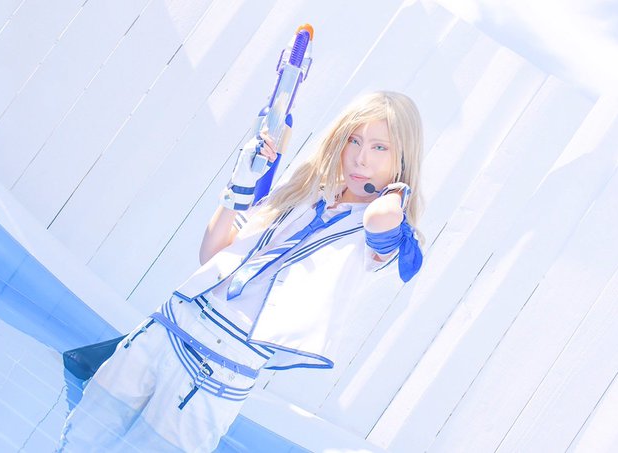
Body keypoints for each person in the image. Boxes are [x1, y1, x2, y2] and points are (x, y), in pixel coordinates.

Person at [57, 90, 424, 452]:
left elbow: (380, 218)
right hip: (172, 323)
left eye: (380, 147)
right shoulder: (305, 188)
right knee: (78, 443)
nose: (361, 158)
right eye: (354, 140)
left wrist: (398, 191)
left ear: (404, 157)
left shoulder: (382, 231)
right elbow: (212, 254)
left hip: (221, 369)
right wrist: (240, 183)